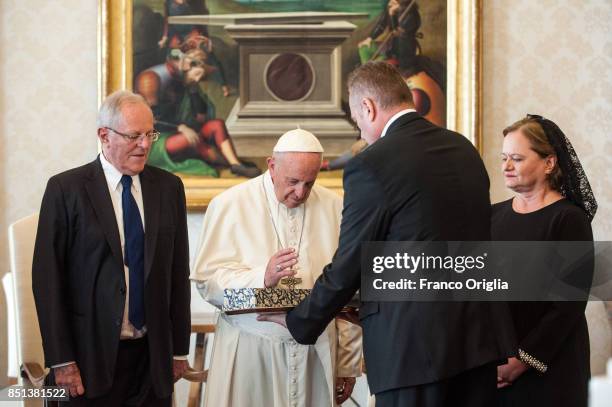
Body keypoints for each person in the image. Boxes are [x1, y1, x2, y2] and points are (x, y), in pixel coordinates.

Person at [259, 61, 515, 407]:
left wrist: (299, 320)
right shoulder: (462, 149)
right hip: (477, 342)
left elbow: (351, 262)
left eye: (357, 120)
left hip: (414, 349)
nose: (361, 132)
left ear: (368, 107)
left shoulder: (371, 163)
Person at [32, 91, 192, 406]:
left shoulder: (169, 188)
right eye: (134, 136)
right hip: (86, 360)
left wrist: (178, 350)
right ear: (104, 136)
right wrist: (61, 360)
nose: (146, 145)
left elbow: (177, 273)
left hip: (151, 359)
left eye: (150, 134)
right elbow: (48, 280)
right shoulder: (66, 189)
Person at [191, 128, 362, 407]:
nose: (300, 192)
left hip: (314, 352)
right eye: (293, 181)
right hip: (250, 350)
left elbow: (347, 294)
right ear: (272, 166)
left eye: (309, 183)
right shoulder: (229, 204)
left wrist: (347, 364)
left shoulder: (336, 207)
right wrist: (261, 278)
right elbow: (208, 284)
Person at [492, 115, 597, 407]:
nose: (506, 166)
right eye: (503, 158)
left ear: (549, 163)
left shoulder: (569, 219)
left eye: (516, 158)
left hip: (551, 367)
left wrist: (520, 361)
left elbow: (568, 303)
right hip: (496, 367)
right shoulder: (492, 216)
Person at [135, 44, 260, 178]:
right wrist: (180, 127)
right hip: (157, 140)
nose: (198, 79)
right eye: (197, 74)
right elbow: (149, 118)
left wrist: (193, 91)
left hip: (179, 132)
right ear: (188, 66)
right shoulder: (151, 79)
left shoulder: (184, 82)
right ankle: (230, 163)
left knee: (216, 124)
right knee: (192, 139)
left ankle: (235, 164)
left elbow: (201, 117)